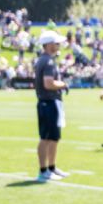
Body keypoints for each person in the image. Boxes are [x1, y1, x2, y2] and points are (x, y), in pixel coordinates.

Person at [34, 30, 68, 182]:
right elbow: (48, 83)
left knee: (54, 137)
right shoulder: (47, 61)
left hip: (50, 102)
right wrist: (63, 84)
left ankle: (51, 167)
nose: (59, 45)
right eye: (56, 43)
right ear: (48, 45)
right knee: (46, 137)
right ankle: (43, 170)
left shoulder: (45, 60)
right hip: (48, 102)